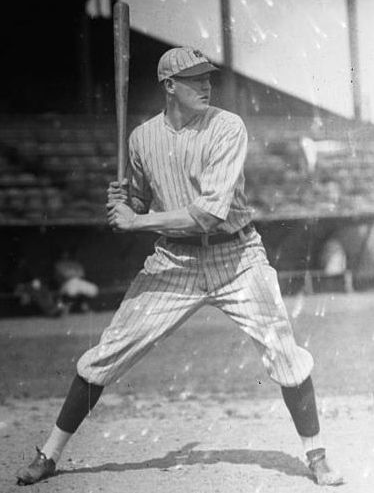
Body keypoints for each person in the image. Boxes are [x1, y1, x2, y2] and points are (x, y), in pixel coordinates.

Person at [16, 47, 343, 487]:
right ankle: (49, 454)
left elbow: (208, 213)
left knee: (285, 353)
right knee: (106, 355)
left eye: (207, 77)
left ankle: (317, 455)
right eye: (193, 79)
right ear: (169, 86)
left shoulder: (228, 126)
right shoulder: (141, 139)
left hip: (237, 256)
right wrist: (123, 202)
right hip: (175, 260)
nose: (206, 84)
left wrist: (137, 220)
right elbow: (137, 203)